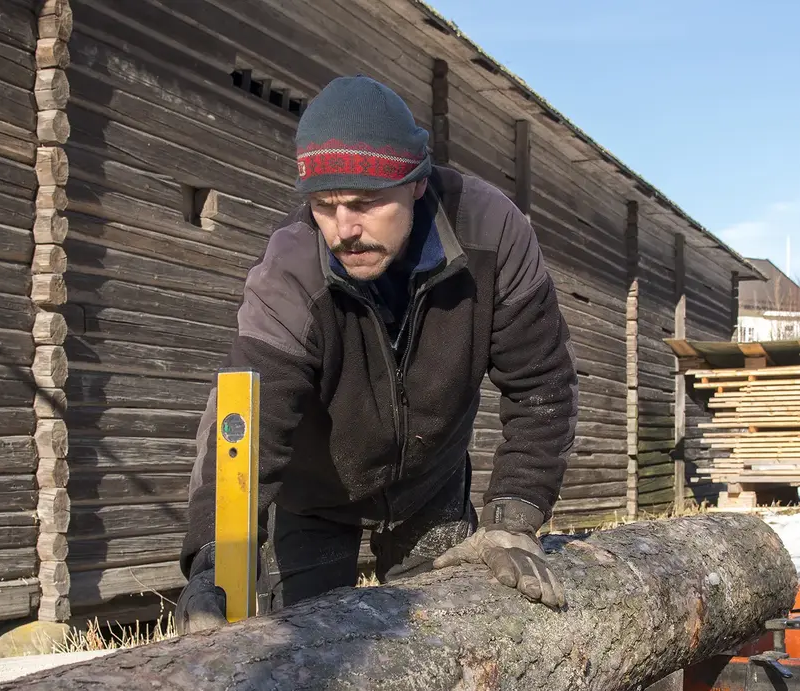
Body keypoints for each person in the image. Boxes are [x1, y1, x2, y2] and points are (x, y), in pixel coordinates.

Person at [176, 75, 578, 633]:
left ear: (415, 184)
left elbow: (541, 385)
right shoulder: (289, 272)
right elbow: (244, 423)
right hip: (315, 496)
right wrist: (214, 560)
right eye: (324, 205)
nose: (344, 230)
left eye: (365, 204)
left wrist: (515, 515)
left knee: (442, 648)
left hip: (429, 490)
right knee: (301, 659)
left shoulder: (492, 231)